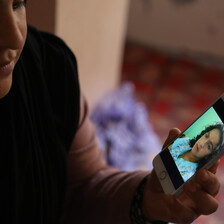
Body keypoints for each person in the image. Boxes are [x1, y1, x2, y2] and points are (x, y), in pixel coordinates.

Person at [0, 1, 221, 223]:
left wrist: (144, 200)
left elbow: (83, 188)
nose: (14, 38)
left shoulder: (51, 71)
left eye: (17, 4)